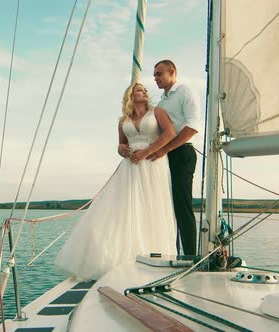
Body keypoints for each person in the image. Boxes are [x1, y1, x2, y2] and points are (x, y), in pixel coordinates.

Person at [54, 82, 178, 281]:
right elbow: (121, 144)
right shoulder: (123, 120)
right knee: (124, 208)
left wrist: (147, 152)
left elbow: (170, 134)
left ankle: (155, 259)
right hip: (130, 167)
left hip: (153, 163)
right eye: (140, 90)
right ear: (130, 95)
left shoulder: (158, 112)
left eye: (145, 90)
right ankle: (121, 258)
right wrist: (122, 150)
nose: (145, 92)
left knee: (152, 207)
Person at [148, 60, 200, 256]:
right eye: (154, 75)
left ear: (172, 72)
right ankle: (171, 251)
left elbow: (192, 127)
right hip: (164, 156)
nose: (156, 78)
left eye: (159, 74)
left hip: (182, 153)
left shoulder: (185, 91)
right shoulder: (160, 103)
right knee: (165, 206)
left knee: (182, 205)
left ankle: (189, 256)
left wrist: (164, 150)